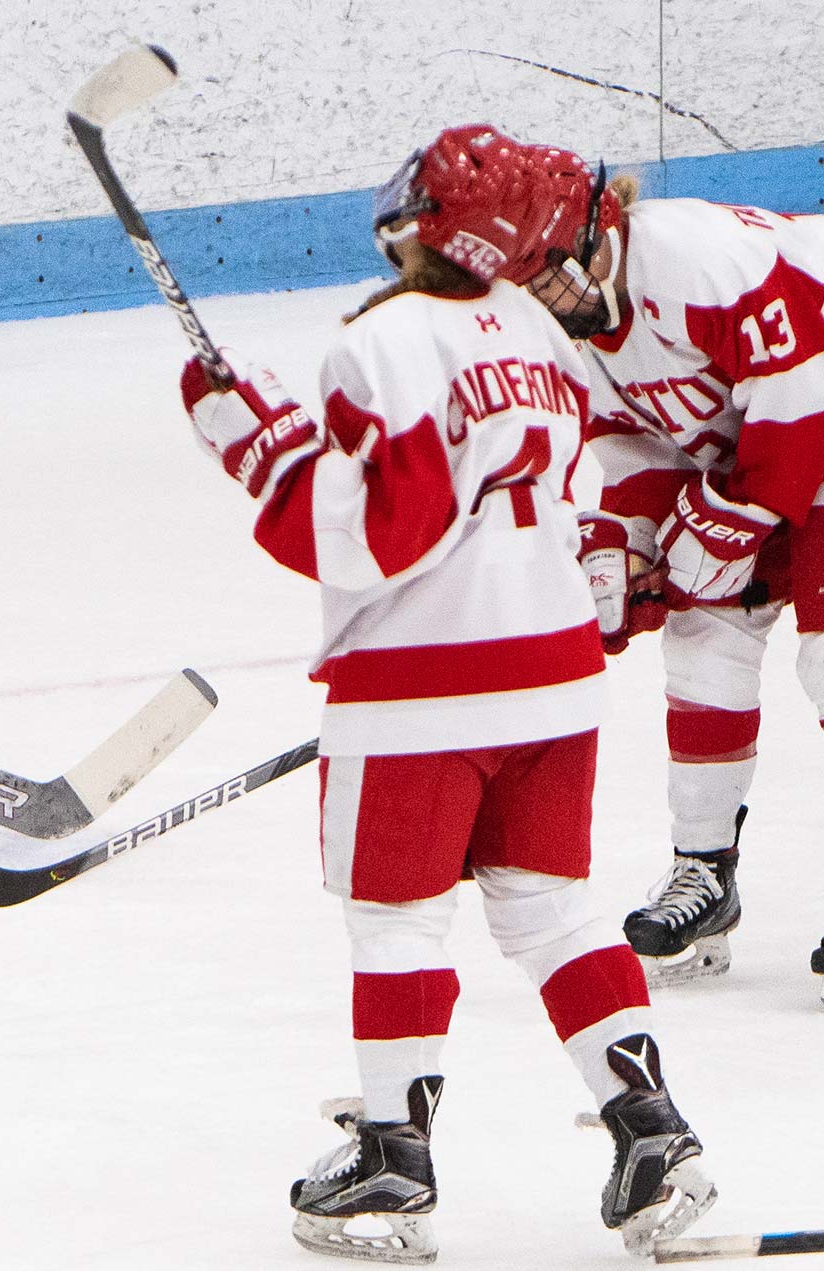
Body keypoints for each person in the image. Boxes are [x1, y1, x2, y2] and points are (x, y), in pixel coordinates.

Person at [179, 125, 712, 1263]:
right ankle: (653, 1138)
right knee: (551, 913)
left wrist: (252, 441)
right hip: (552, 678)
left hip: (420, 692)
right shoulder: (535, 329)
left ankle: (391, 1162)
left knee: (396, 922)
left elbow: (376, 536)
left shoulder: (384, 342)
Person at [512, 140, 824, 1010]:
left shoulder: (701, 261)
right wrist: (622, 545)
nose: (532, 299)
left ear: (595, 237)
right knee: (703, 639)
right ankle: (703, 876)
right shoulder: (568, 320)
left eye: (542, 275)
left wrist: (737, 516)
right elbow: (631, 441)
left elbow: (809, 392)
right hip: (747, 448)